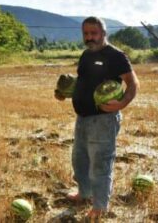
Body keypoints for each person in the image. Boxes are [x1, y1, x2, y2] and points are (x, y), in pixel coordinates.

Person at [55, 16, 139, 220]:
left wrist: (122, 103)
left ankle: (100, 206)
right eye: (86, 34)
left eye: (94, 33)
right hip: (82, 119)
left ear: (103, 33)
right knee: (80, 160)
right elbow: (83, 83)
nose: (89, 37)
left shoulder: (116, 56)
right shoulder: (85, 55)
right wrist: (64, 93)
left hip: (103, 120)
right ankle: (84, 193)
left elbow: (133, 83)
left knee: (100, 165)